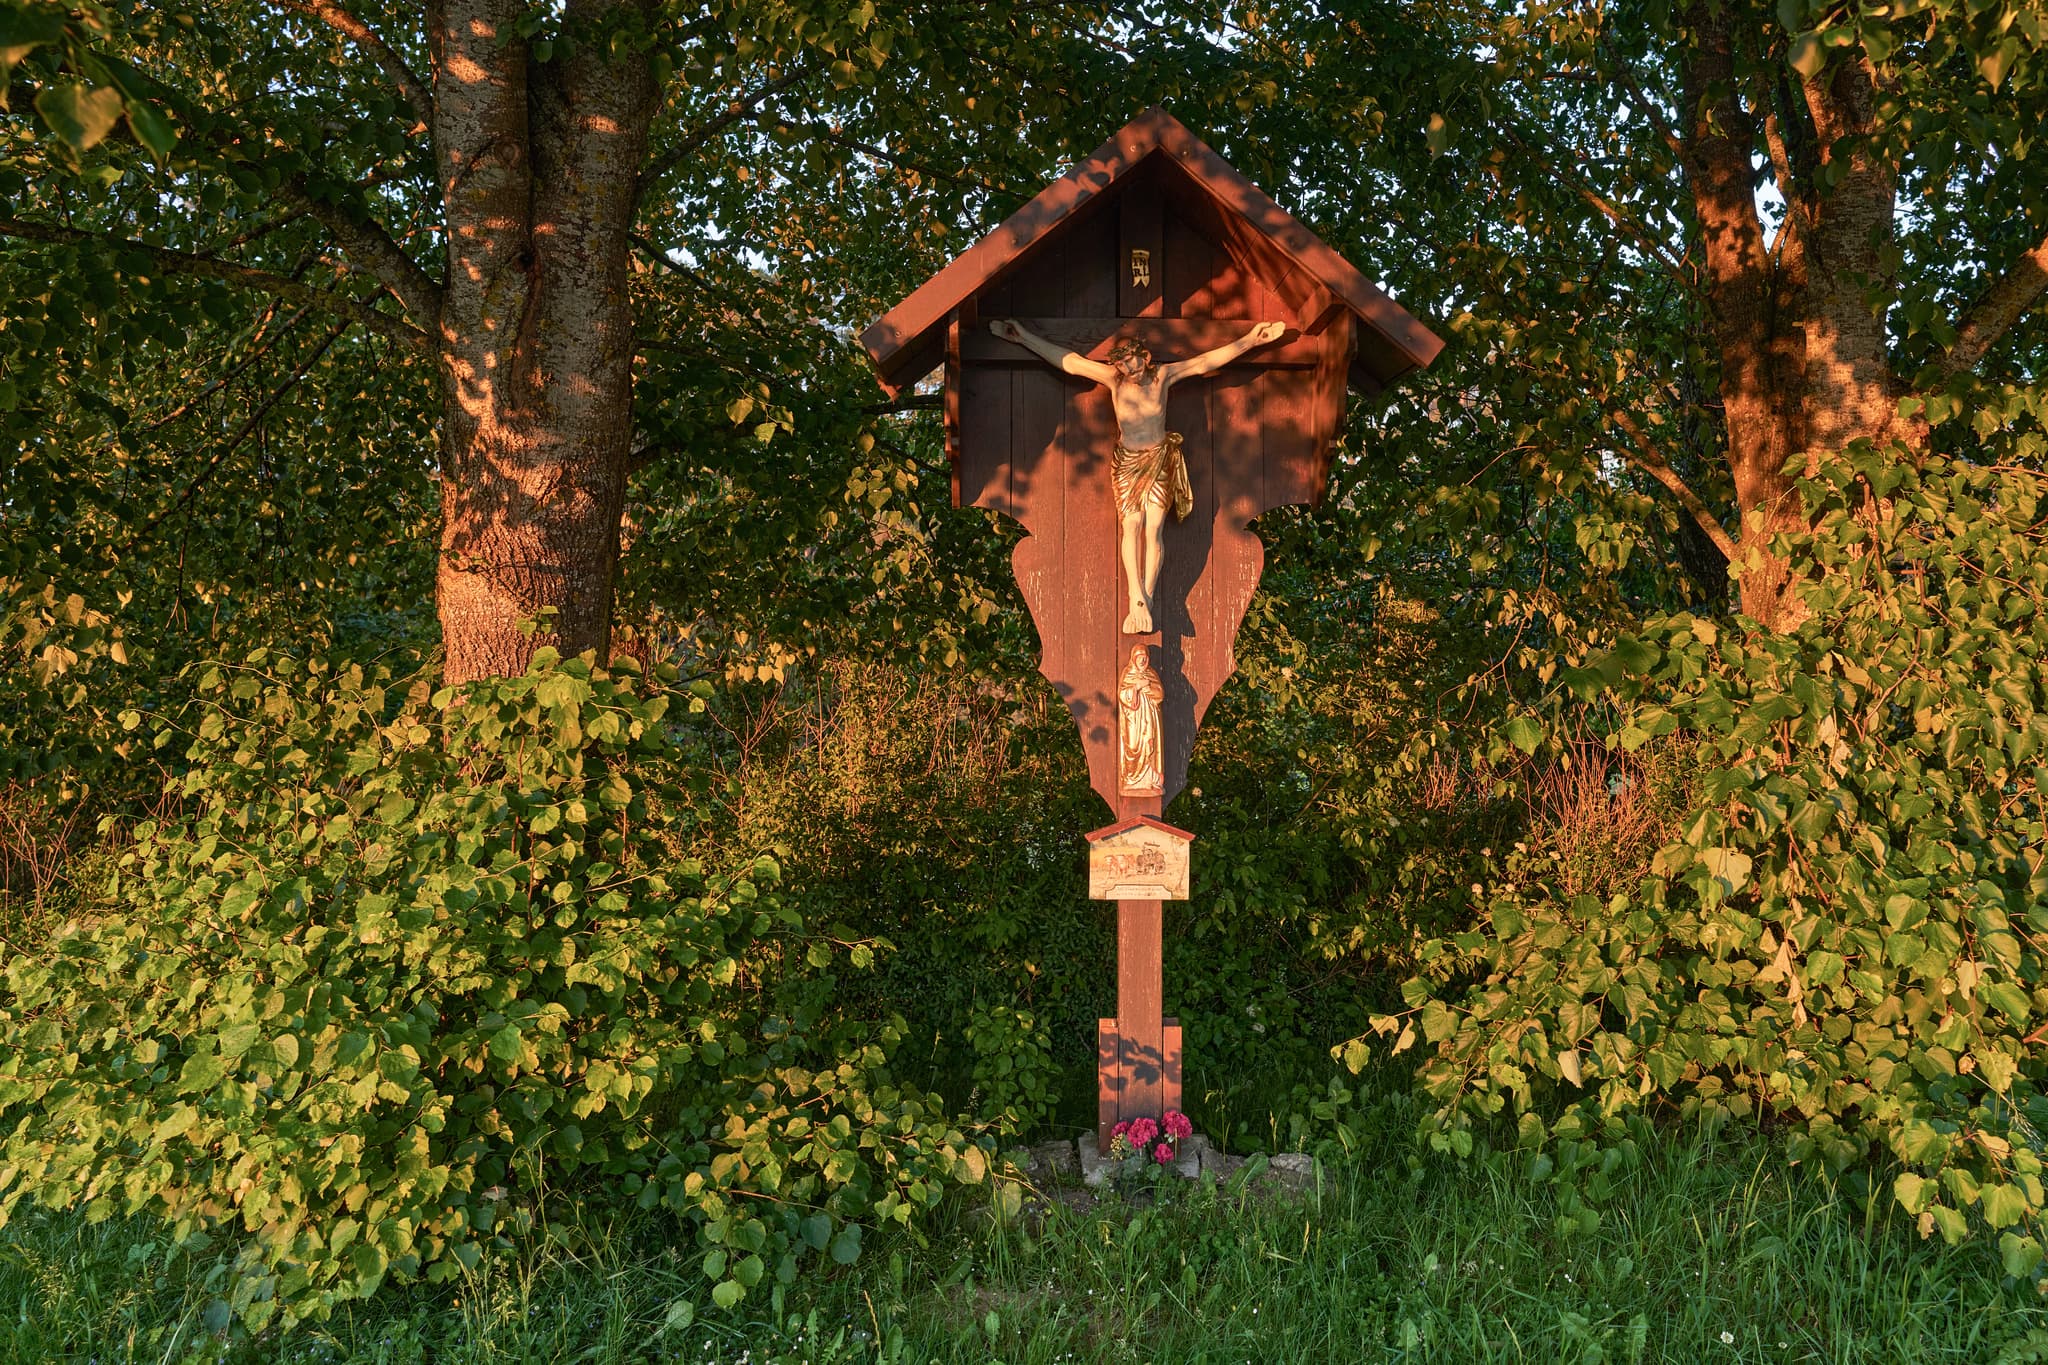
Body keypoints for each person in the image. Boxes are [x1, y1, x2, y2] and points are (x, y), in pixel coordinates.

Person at [990, 317, 1287, 633]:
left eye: (1133, 366)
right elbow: (1072, 363)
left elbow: (1204, 362)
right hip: (1128, 462)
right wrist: (1023, 338)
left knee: (1155, 526)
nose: (1129, 374)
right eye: (1124, 370)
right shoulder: (1114, 381)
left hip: (1158, 459)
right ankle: (1137, 597)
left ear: (1144, 359)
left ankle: (1147, 598)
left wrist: (1251, 341)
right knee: (1131, 525)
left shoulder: (1163, 376)